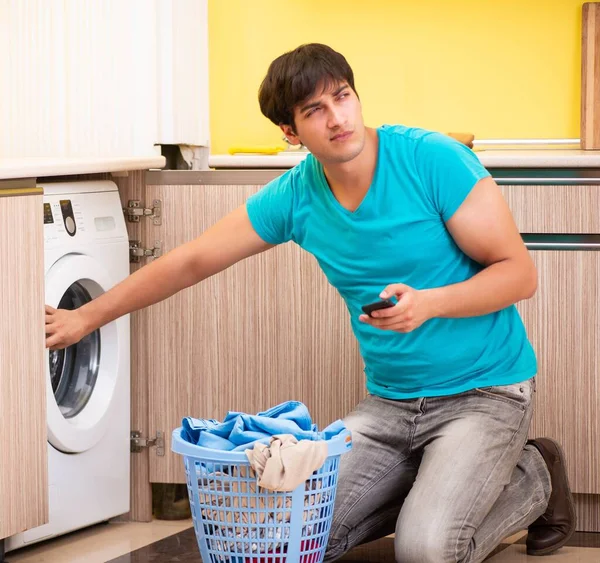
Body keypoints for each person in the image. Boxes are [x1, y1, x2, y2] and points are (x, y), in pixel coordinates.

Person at [45, 43, 575, 562]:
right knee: (290, 541)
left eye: (342, 97)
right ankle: (434, 483)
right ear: (291, 131)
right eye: (314, 110)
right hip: (390, 405)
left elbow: (519, 274)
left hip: (484, 392)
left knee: (427, 551)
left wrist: (431, 303)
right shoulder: (297, 195)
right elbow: (192, 261)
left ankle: (535, 475)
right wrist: (84, 317)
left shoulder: (430, 160)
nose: (337, 118)